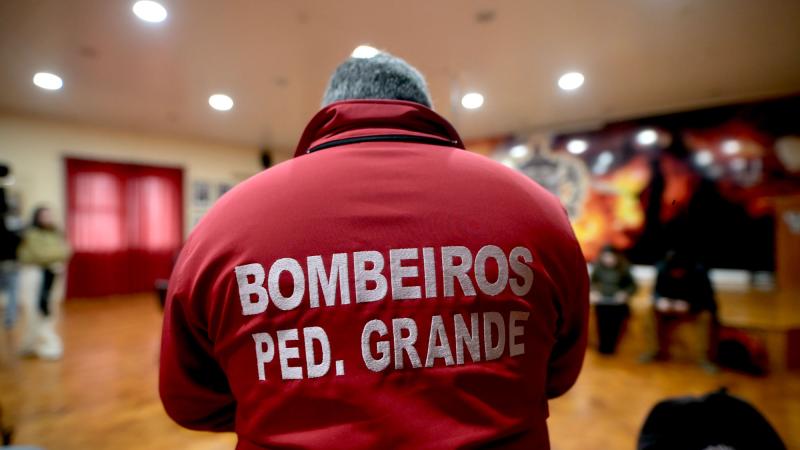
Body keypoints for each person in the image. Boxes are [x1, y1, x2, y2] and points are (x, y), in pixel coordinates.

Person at [159, 52, 589, 449]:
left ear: (329, 110)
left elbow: (191, 403)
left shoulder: (224, 224)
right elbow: (557, 375)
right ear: (424, 109)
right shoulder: (538, 211)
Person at [642, 249, 717, 369]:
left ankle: (704, 358)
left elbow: (708, 299)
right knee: (650, 311)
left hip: (693, 308)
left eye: (679, 271)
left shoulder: (700, 271)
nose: (676, 274)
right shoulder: (662, 269)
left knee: (706, 317)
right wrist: (660, 300)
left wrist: (690, 306)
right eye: (673, 271)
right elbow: (656, 291)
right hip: (670, 306)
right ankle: (653, 351)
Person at [16, 206, 71, 360]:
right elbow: (41, 255)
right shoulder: (31, 234)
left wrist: (55, 254)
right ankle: (31, 343)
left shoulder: (55, 232)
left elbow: (67, 251)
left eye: (49, 215)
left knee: (48, 309)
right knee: (34, 310)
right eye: (44, 215)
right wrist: (56, 254)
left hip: (51, 275)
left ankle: (45, 342)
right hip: (34, 275)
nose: (48, 218)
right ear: (37, 217)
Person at [590, 245, 636, 354]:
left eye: (611, 257)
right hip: (602, 303)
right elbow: (592, 283)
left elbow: (632, 286)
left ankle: (612, 348)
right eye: (606, 257)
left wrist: (624, 293)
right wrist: (594, 292)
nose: (608, 260)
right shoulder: (598, 268)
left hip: (617, 305)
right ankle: (602, 348)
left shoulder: (624, 268)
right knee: (602, 326)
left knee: (615, 328)